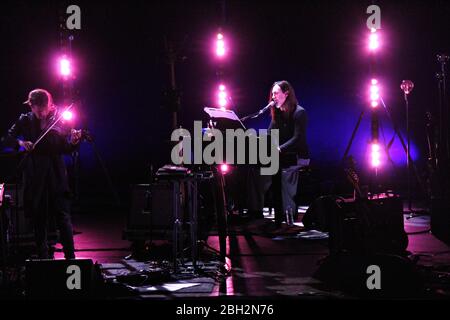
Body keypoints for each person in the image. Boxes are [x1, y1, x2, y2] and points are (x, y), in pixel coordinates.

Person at [2, 88, 82, 259]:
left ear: (49, 105)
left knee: (63, 216)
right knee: (39, 218)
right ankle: (43, 259)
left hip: (55, 173)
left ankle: (71, 259)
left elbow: (65, 148)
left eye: (44, 108)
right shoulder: (24, 120)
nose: (41, 112)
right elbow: (7, 140)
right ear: (31, 106)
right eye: (37, 109)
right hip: (35, 174)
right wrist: (21, 143)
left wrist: (74, 143)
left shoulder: (58, 120)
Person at [247, 80, 310, 225]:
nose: (273, 96)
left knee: (283, 172)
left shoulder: (299, 113)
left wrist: (280, 148)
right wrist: (255, 139)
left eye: (276, 93)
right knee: (256, 169)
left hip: (298, 156)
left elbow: (298, 138)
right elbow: (269, 134)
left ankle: (287, 213)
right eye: (272, 94)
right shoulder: (278, 113)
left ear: (286, 94)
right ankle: (256, 211)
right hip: (280, 156)